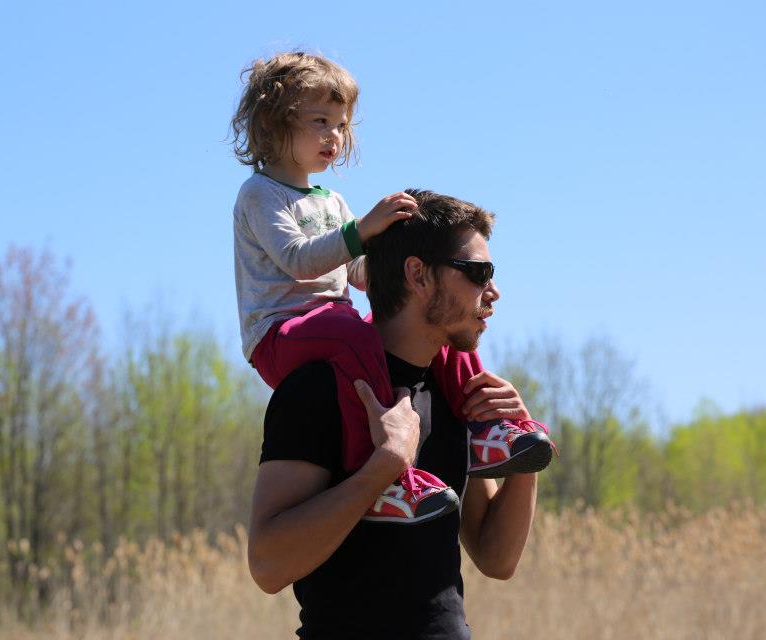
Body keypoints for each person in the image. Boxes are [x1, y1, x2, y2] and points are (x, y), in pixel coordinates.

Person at [230, 51, 552, 524]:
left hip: (332, 327)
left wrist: (393, 260)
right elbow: (298, 261)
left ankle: (488, 432)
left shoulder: (331, 200)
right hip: (278, 334)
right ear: (274, 123)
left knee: (440, 333)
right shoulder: (260, 194)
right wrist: (363, 230)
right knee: (353, 330)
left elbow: (357, 273)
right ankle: (384, 473)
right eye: (320, 120)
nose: (334, 136)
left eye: (341, 125)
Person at [248, 189, 541, 639]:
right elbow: (268, 565)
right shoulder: (319, 388)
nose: (494, 291)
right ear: (418, 275)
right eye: (478, 272)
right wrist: (381, 470)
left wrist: (523, 456)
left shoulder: (454, 392)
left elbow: (496, 557)